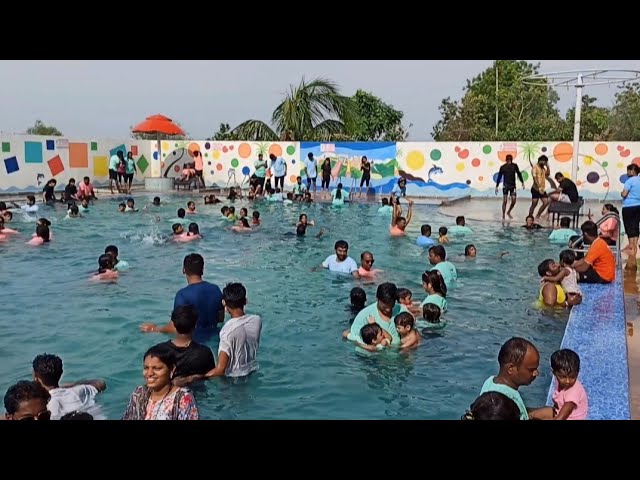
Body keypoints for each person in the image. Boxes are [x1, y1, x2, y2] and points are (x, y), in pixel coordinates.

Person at [141, 254, 224, 340]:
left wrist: (154, 329)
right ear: (202, 270)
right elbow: (221, 319)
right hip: (215, 337)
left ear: (184, 270)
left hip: (193, 342)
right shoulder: (216, 289)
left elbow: (175, 327)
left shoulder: (182, 295)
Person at [122, 344, 199, 420]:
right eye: (146, 368)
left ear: (172, 369)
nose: (149, 373)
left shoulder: (183, 398)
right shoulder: (139, 394)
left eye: (157, 368)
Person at [479, 337, 548, 420]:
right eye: (531, 369)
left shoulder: (490, 381)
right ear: (511, 368)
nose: (536, 373)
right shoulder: (507, 398)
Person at [31, 353, 106, 420]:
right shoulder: (80, 390)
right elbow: (100, 383)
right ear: (61, 372)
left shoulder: (41, 408)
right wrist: (72, 385)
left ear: (36, 377)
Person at [162, 305, 216, 386]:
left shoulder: (159, 352)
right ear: (195, 325)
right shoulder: (204, 353)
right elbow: (211, 377)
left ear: (173, 324)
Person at [530, 349, 588, 420]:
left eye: (572, 377)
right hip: (558, 411)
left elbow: (561, 418)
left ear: (577, 372)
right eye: (563, 377)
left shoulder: (573, 392)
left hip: (567, 417)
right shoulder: (559, 381)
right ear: (554, 373)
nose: (567, 381)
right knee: (531, 415)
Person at [344, 283, 408, 347]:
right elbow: (352, 337)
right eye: (384, 306)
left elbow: (414, 334)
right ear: (377, 299)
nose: (388, 310)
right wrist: (367, 347)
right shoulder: (364, 315)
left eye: (391, 305)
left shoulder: (401, 310)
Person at [621, 163, 640, 269]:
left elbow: (624, 194)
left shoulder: (629, 181)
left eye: (628, 171)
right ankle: (635, 245)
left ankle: (631, 245)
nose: (627, 173)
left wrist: (621, 193)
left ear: (633, 171)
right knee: (636, 225)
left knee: (629, 225)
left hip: (629, 206)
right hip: (639, 206)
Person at [495, 154, 525, 219]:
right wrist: (496, 186)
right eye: (508, 160)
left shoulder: (514, 166)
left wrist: (522, 182)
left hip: (513, 186)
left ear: (511, 160)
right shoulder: (503, 167)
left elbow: (519, 173)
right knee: (505, 201)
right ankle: (503, 215)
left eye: (510, 160)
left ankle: (508, 212)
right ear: (506, 160)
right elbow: (499, 177)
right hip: (505, 185)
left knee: (514, 201)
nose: (509, 161)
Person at [529, 155, 550, 219]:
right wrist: (539, 187)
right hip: (535, 189)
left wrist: (548, 166)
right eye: (544, 162)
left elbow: (547, 174)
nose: (545, 163)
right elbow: (535, 178)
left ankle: (537, 216)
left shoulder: (543, 168)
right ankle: (530, 216)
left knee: (546, 202)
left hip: (542, 189)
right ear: (541, 161)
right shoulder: (535, 167)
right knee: (534, 204)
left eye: (546, 162)